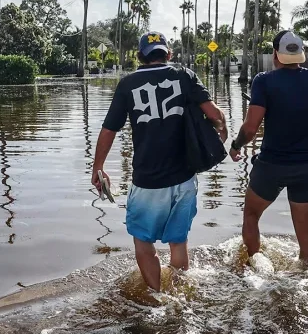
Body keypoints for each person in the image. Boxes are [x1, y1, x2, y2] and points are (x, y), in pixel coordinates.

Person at [93, 32, 228, 291]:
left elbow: (109, 130)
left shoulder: (128, 84)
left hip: (148, 181)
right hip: (184, 177)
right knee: (178, 242)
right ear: (168, 54)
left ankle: (157, 299)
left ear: (140, 56)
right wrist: (221, 132)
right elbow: (215, 114)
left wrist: (98, 166)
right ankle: (179, 295)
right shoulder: (184, 75)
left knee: (144, 245)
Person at [228, 30, 308, 265]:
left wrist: (235, 145)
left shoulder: (264, 81)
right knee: (306, 238)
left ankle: (255, 268)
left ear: (275, 54)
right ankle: (307, 274)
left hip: (271, 165)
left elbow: (250, 129)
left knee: (251, 215)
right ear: (302, 53)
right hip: (306, 167)